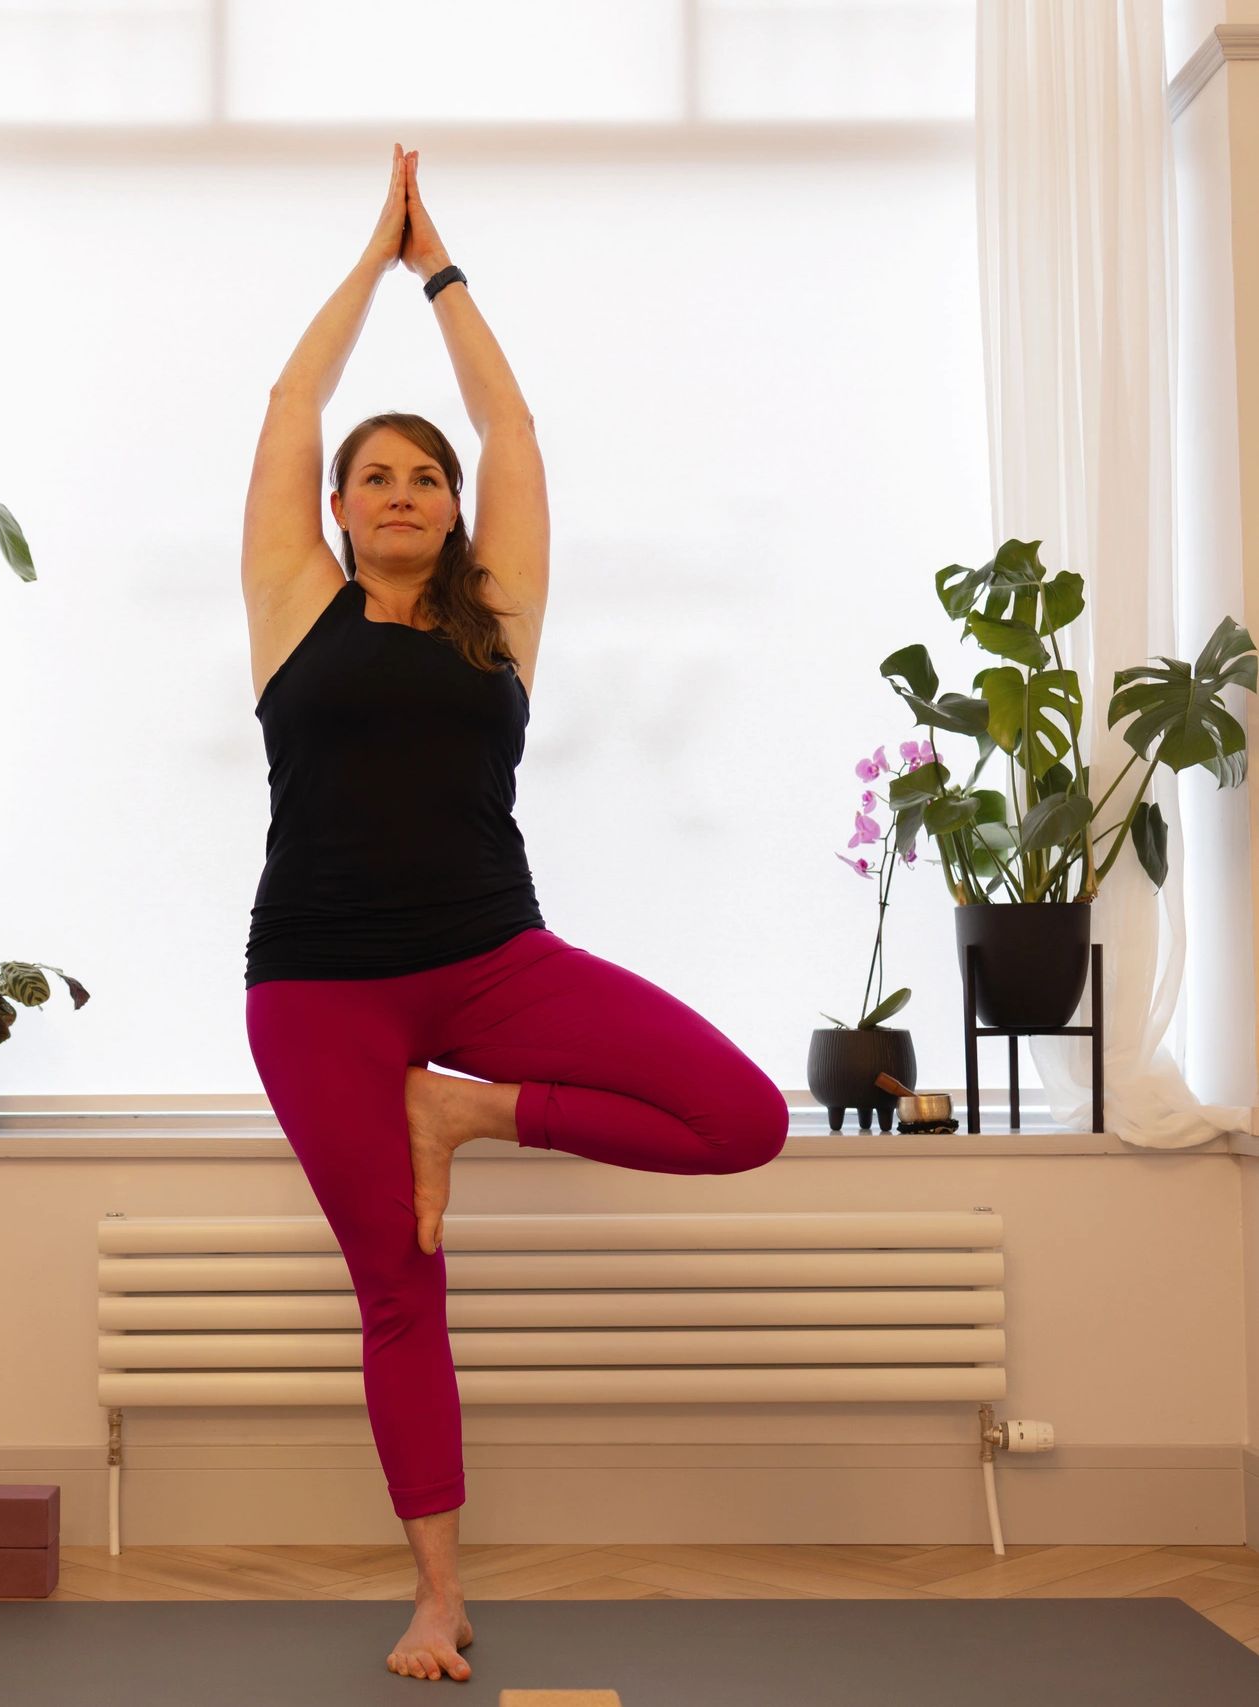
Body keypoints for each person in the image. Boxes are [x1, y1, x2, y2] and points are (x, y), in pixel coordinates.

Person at [241, 143, 790, 1685]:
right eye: (378, 476)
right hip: (320, 990)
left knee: (745, 1117)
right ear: (340, 510)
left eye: (426, 477)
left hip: (494, 966)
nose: (403, 490)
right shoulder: (295, 609)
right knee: (397, 1288)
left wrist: (445, 272)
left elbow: (513, 423)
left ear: (453, 510)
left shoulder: (506, 617)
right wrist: (367, 260)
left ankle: (467, 1120)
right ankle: (436, 1595)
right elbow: (290, 410)